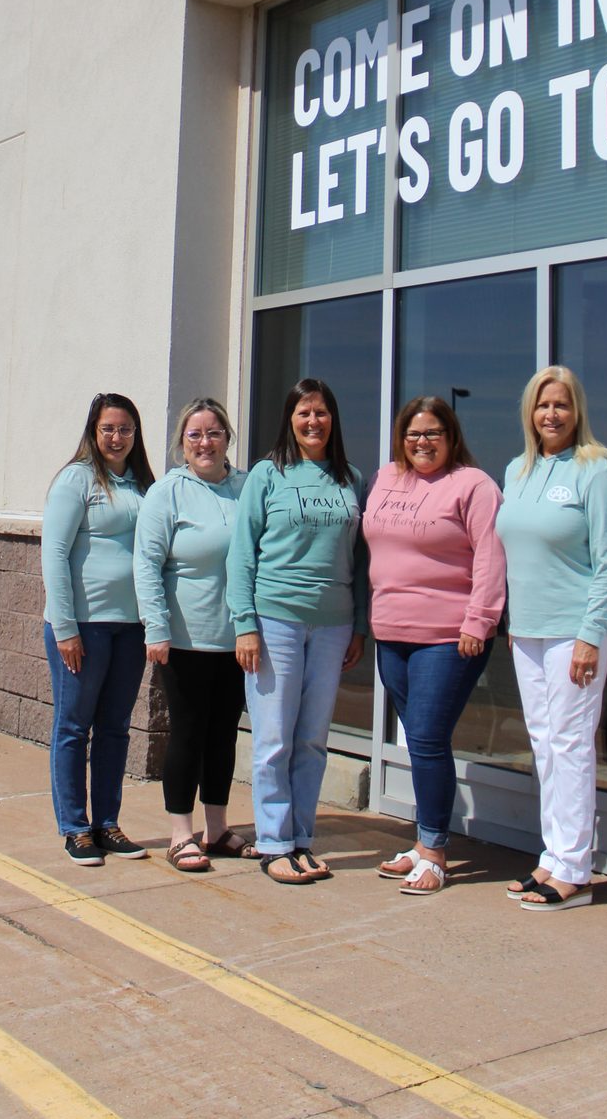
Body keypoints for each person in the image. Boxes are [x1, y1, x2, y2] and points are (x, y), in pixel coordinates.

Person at [227, 377, 367, 886]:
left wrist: (360, 626)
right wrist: (245, 625)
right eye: (304, 413)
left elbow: (361, 560)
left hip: (333, 625)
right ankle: (273, 842)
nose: (314, 422)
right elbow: (241, 555)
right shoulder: (268, 475)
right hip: (275, 621)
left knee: (311, 739)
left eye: (322, 413)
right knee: (272, 737)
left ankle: (301, 838)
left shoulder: (350, 478)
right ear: (290, 419)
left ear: (334, 420)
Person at [363, 396, 505, 894]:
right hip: (391, 632)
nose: (422, 443)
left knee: (424, 736)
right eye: (413, 433)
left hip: (449, 636)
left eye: (433, 434)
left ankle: (436, 850)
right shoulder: (386, 478)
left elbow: (490, 557)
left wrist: (479, 620)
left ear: (452, 436)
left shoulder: (474, 485)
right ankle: (423, 843)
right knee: (422, 740)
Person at [495, 366, 607, 910]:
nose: (552, 415)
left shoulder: (596, 471)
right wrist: (511, 625)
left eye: (562, 406)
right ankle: (553, 855)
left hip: (575, 631)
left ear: (578, 413)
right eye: (543, 405)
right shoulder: (517, 470)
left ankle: (576, 870)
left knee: (571, 745)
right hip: (527, 632)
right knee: (544, 744)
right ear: (530, 412)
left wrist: (594, 634)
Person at [133, 397, 256, 873]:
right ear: (182, 445)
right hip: (184, 639)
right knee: (186, 734)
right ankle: (181, 833)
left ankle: (218, 827)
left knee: (223, 736)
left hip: (238, 640)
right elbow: (146, 564)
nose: (205, 442)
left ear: (227, 438)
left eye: (214, 433)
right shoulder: (167, 492)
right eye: (195, 435)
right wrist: (156, 628)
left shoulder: (246, 487)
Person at [40, 392, 155, 866]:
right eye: (108, 428)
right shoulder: (77, 479)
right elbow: (54, 554)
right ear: (93, 431)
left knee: (114, 729)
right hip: (83, 627)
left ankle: (106, 822)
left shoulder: (144, 485)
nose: (116, 437)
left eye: (125, 428)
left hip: (129, 628)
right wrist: (65, 628)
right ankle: (75, 827)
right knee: (73, 727)